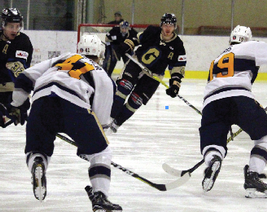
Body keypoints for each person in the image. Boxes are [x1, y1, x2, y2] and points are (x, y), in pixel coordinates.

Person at [9, 34, 122, 212]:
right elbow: (100, 122)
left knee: (37, 149)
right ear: (100, 55)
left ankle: (38, 163)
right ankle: (100, 196)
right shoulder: (103, 76)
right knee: (101, 152)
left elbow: (24, 78)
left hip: (41, 100)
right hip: (73, 103)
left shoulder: (63, 58)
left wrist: (17, 104)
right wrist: (87, 147)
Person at [200, 25, 267, 198]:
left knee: (213, 141)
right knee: (264, 135)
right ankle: (253, 175)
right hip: (239, 98)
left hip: (211, 102)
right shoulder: (250, 47)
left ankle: (213, 159)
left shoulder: (217, 58)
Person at [109, 13, 187, 132]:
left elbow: (178, 67)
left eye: (171, 25)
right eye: (165, 24)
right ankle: (108, 118)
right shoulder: (152, 31)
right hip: (137, 64)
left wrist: (175, 85)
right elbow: (137, 38)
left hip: (154, 76)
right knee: (124, 88)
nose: (168, 28)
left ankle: (115, 125)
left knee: (135, 101)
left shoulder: (178, 45)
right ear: (161, 25)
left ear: (175, 27)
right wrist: (126, 45)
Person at [0, 8, 33, 167]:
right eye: (11, 26)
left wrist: (21, 102)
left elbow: (17, 69)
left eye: (17, 26)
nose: (15, 30)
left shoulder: (23, 42)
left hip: (11, 93)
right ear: (3, 25)